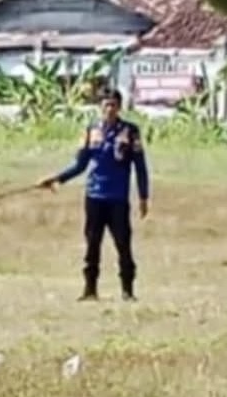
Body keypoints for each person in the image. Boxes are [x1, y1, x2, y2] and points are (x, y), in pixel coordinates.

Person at [37, 88, 150, 302]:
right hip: (95, 196)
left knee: (123, 244)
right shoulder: (92, 130)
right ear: (100, 107)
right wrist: (57, 178)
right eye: (106, 105)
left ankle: (127, 290)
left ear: (119, 107)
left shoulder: (130, 132)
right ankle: (90, 289)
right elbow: (80, 164)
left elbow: (140, 167)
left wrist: (143, 197)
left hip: (117, 198)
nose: (109, 109)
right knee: (92, 244)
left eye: (113, 105)